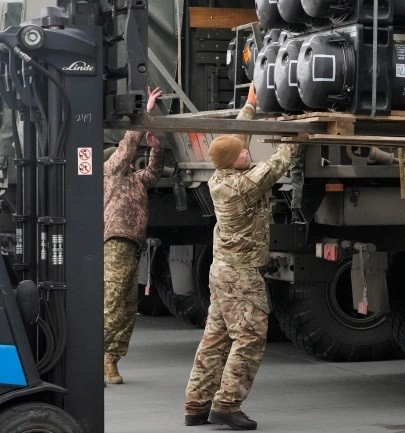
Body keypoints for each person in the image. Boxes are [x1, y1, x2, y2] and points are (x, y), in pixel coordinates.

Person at [183, 82, 300, 430]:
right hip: (240, 275)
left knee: (216, 337)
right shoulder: (245, 184)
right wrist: (289, 130)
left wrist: (249, 108)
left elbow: (239, 142)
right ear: (236, 162)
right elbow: (280, 161)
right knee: (249, 337)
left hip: (222, 272)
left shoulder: (223, 176)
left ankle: (196, 404)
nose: (248, 153)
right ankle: (227, 404)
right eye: (243, 153)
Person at [103, 87, 164, 384]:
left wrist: (156, 148)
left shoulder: (135, 181)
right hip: (115, 243)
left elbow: (153, 172)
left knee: (128, 307)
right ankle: (97, 355)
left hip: (131, 247)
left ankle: (111, 359)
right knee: (113, 302)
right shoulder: (109, 172)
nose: (127, 159)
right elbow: (127, 145)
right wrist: (146, 112)